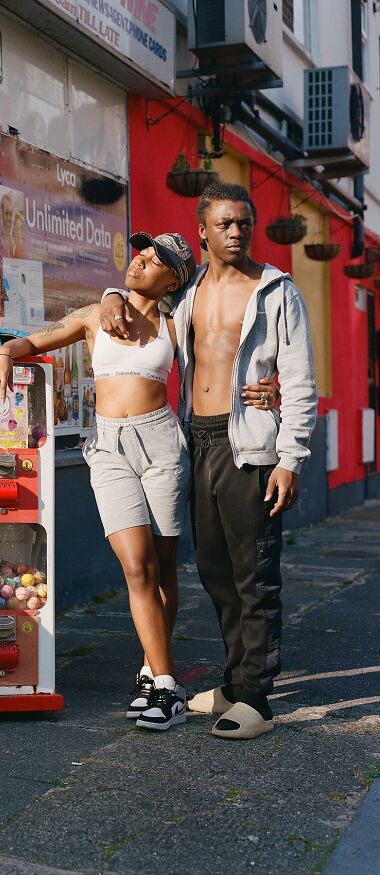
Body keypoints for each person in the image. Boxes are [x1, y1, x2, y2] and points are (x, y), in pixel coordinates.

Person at [100, 183, 317, 739]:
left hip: (251, 445)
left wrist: (290, 458)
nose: (237, 232)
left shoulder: (275, 292)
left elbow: (298, 380)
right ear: (203, 230)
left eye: (244, 223)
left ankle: (256, 699)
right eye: (225, 223)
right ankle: (233, 679)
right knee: (216, 572)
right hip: (197, 440)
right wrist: (111, 297)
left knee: (255, 575)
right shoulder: (188, 291)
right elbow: (142, 297)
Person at [0, 233, 202, 731]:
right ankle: (169, 687)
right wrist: (5, 355)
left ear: (173, 278)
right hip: (108, 448)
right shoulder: (94, 314)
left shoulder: (176, 322)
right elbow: (37, 339)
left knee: (164, 564)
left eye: (155, 260)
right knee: (136, 566)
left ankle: (153, 670)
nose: (140, 260)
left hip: (162, 445)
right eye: (141, 252)